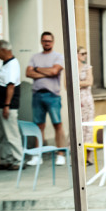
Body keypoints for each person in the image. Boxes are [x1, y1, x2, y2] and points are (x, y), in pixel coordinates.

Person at [25, 31, 66, 165]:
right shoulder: (35, 57)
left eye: (49, 41)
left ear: (53, 42)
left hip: (52, 95)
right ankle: (38, 155)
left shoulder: (58, 56)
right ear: (41, 42)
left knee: (57, 124)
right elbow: (28, 73)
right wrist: (46, 71)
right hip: (37, 94)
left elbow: (55, 71)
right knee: (39, 125)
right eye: (44, 40)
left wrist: (37, 69)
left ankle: (60, 154)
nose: (47, 43)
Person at [0, 40, 22, 170]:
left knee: (12, 133)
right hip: (1, 105)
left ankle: (18, 160)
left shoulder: (12, 64)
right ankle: (6, 159)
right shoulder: (6, 64)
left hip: (7, 106)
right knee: (3, 134)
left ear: (4, 50)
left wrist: (6, 105)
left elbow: (11, 86)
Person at [77, 47, 95, 149]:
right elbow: (67, 85)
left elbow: (89, 82)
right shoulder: (70, 68)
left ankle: (89, 156)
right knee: (77, 126)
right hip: (75, 100)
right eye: (82, 53)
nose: (85, 56)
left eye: (86, 53)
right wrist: (81, 84)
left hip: (87, 100)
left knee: (88, 127)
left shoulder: (88, 67)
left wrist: (76, 83)